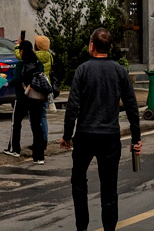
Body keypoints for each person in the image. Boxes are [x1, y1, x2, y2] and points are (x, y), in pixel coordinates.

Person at [61, 28, 142, 231]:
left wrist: (67, 136)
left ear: (91, 46)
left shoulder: (83, 70)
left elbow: (72, 106)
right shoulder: (119, 71)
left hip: (85, 135)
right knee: (109, 187)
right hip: (110, 137)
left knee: (79, 182)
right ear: (111, 47)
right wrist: (136, 139)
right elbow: (132, 106)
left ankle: (82, 227)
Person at [5, 40, 47, 164]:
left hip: (22, 98)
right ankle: (39, 157)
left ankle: (15, 149)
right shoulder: (38, 63)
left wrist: (8, 83)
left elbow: (17, 79)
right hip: (36, 98)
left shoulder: (21, 64)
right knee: (36, 126)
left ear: (22, 51)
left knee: (16, 124)